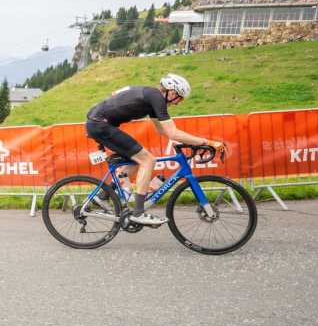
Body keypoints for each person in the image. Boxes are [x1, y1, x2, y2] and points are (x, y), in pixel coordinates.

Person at [85, 74, 226, 226]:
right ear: (171, 92)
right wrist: (207, 142)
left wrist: (193, 143)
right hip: (101, 125)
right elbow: (172, 132)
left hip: (99, 123)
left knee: (136, 161)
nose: (179, 103)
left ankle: (103, 195)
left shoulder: (151, 98)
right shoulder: (156, 98)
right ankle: (138, 213)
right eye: (180, 98)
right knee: (148, 160)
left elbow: (163, 131)